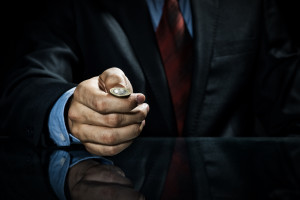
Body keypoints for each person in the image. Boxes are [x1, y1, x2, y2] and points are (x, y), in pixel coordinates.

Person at [0, 0, 299, 156]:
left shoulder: (251, 5)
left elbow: (292, 107)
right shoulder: (74, 6)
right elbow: (25, 83)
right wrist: (70, 111)